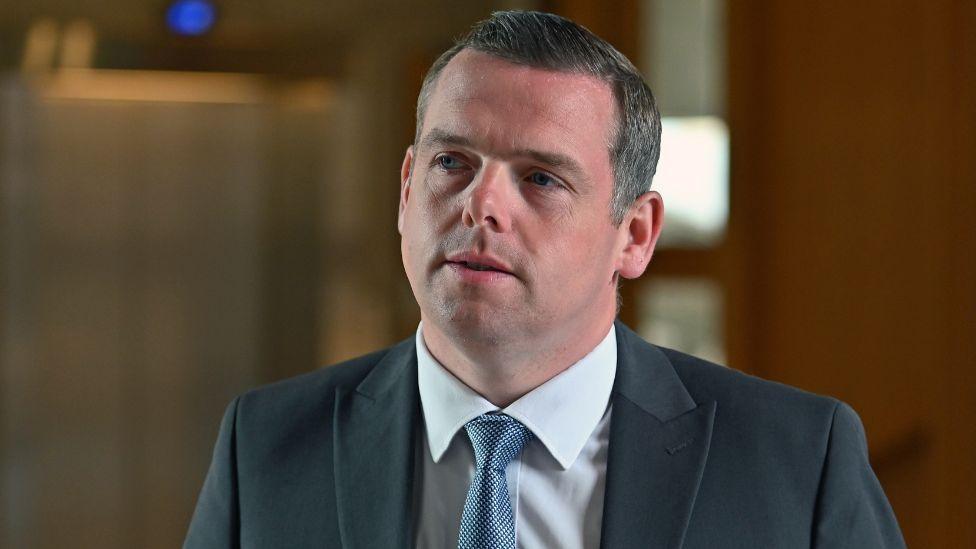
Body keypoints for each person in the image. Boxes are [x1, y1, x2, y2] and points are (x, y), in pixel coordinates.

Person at [185, 11, 904, 549]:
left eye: (540, 177)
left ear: (636, 233)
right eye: (451, 162)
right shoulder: (268, 447)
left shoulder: (796, 463)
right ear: (406, 189)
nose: (481, 204)